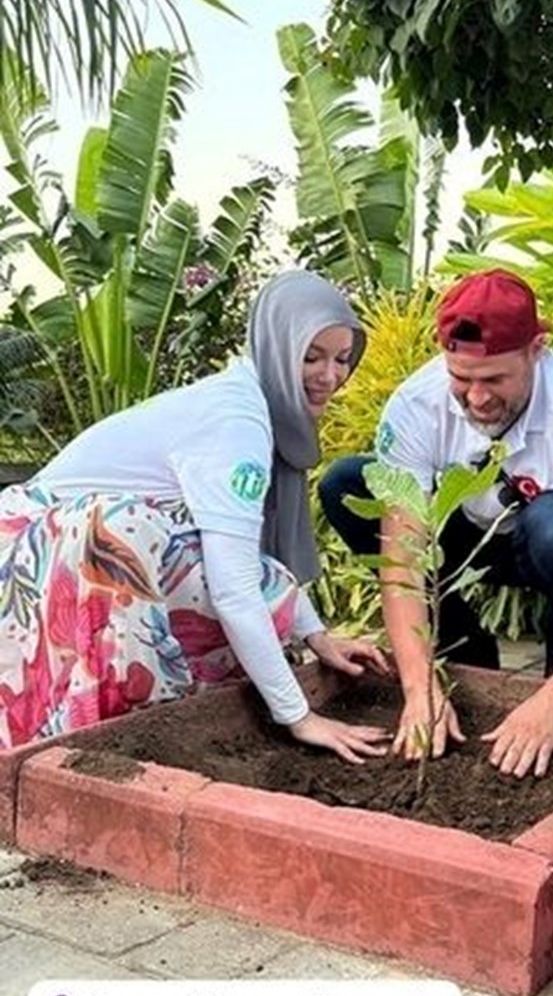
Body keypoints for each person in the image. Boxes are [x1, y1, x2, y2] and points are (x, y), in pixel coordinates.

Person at [0, 269, 390, 760]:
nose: (329, 376)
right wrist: (299, 715)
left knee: (225, 565)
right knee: (148, 540)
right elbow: (236, 587)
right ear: (274, 347)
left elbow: (262, 562)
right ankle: (116, 737)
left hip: (62, 547)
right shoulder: (237, 423)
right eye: (310, 357)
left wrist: (317, 637)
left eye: (341, 359)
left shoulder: (258, 404)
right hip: (35, 551)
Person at [319, 268, 553, 778]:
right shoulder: (415, 406)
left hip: (542, 546)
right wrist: (418, 683)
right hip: (462, 542)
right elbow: (403, 560)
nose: (475, 398)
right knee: (347, 482)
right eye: (461, 379)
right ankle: (466, 651)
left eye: (495, 379)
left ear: (537, 350)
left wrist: (552, 703)